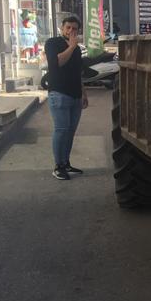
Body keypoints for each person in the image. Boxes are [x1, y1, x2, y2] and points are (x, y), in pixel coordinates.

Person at [44, 16, 88, 180]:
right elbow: (57, 63)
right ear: (62, 28)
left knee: (70, 132)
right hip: (59, 94)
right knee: (61, 130)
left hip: (76, 95)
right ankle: (58, 166)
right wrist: (71, 47)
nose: (71, 31)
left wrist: (84, 93)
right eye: (68, 27)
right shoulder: (52, 43)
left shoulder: (76, 48)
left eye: (75, 29)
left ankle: (66, 163)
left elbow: (78, 72)